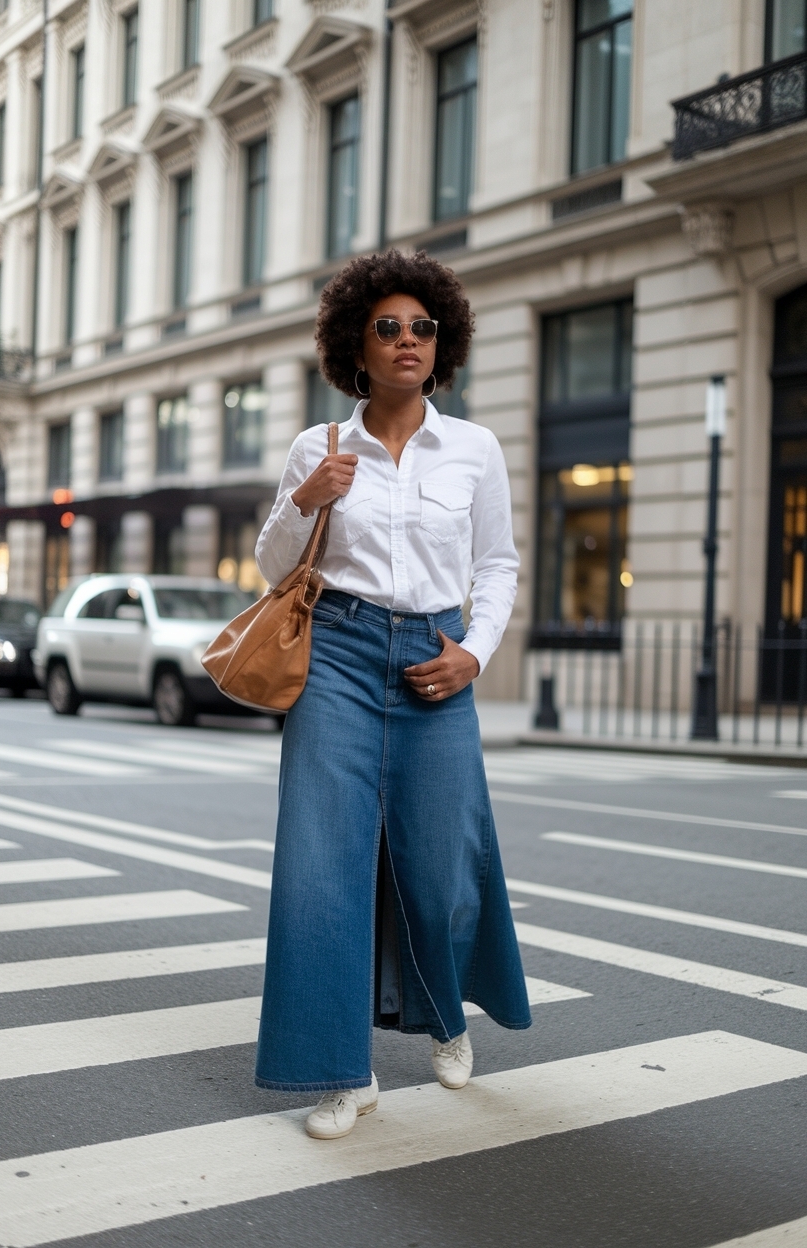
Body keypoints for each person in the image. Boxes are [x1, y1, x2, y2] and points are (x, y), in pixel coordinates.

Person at [254, 249, 531, 1140]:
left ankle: (448, 1016)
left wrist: (476, 654)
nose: (408, 340)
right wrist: (306, 499)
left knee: (444, 862)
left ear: (438, 346)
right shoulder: (321, 447)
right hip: (335, 654)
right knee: (321, 867)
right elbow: (269, 565)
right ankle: (343, 1070)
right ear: (356, 346)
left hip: (434, 658)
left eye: (423, 328)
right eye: (389, 328)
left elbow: (496, 565)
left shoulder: (474, 449)